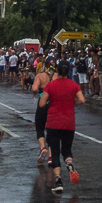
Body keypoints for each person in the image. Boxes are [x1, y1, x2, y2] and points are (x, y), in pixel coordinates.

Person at [39, 64, 86, 193]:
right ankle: (69, 163)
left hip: (53, 122)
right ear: (68, 72)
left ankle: (58, 181)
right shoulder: (73, 85)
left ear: (57, 71)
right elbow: (82, 100)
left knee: (54, 152)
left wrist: (50, 101)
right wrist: (72, 102)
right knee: (66, 150)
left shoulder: (50, 85)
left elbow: (42, 103)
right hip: (69, 122)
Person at [32, 58, 57, 164]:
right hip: (55, 105)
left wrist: (38, 91)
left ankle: (43, 148)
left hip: (43, 104)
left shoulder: (40, 76)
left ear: (45, 65)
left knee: (40, 127)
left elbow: (34, 89)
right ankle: (51, 157)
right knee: (52, 130)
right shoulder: (58, 76)